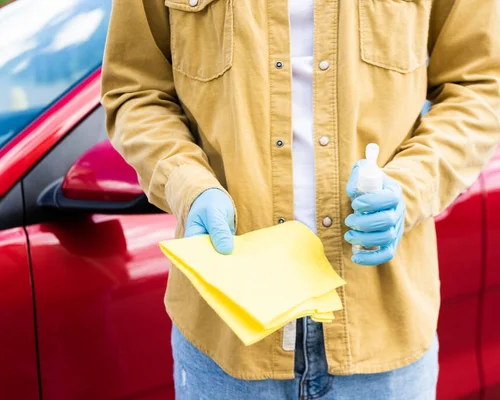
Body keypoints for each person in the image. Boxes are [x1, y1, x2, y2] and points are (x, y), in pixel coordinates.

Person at [101, 0, 500, 398]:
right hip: (226, 345)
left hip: (382, 337)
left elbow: (480, 88)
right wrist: (188, 184)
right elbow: (136, 90)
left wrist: (411, 185)